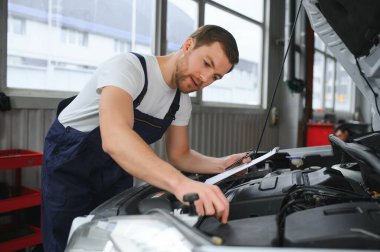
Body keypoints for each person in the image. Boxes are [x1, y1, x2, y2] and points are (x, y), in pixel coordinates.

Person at [41, 24, 250, 251]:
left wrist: (222, 165)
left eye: (215, 77)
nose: (205, 79)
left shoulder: (181, 102)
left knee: (108, 238)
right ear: (188, 45)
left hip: (116, 166)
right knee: (66, 240)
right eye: (206, 63)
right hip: (70, 160)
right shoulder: (129, 68)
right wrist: (182, 184)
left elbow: (180, 155)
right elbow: (115, 137)